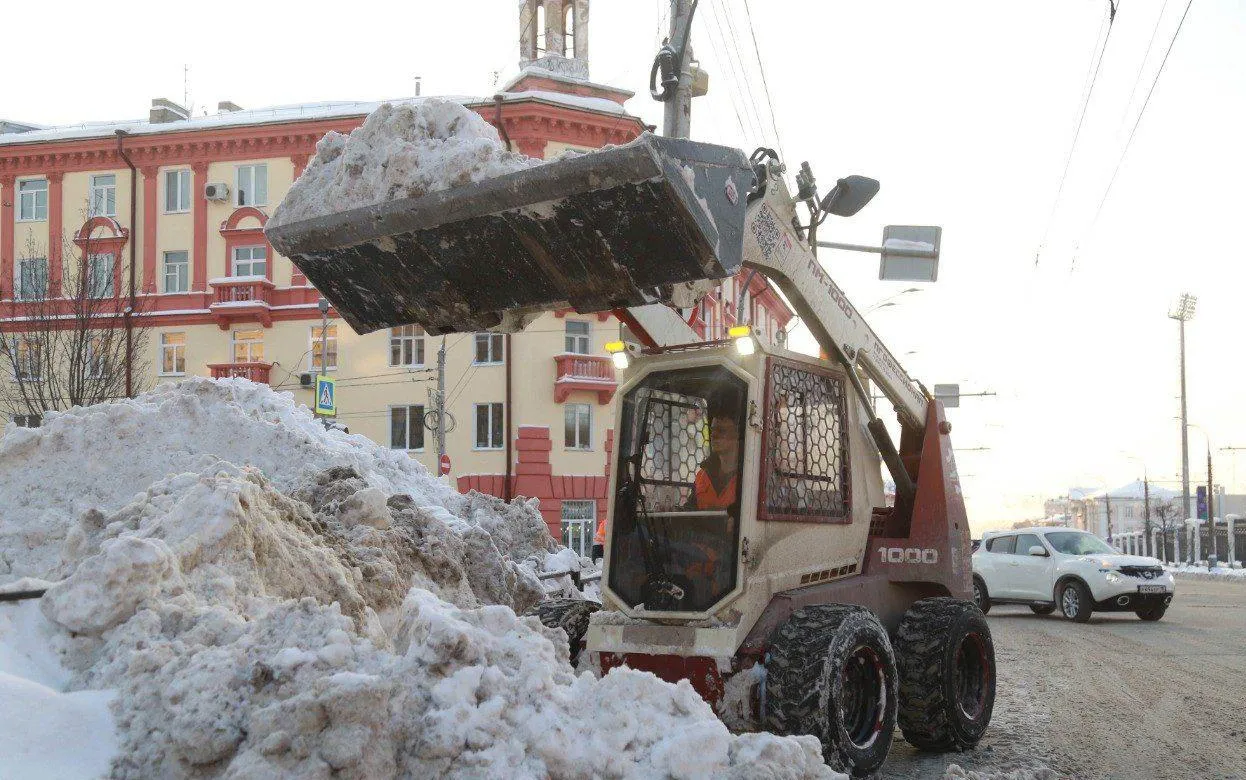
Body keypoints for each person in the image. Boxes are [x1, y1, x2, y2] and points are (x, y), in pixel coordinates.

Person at [689, 412, 741, 511]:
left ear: (737, 435)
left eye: (721, 431)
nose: (713, 435)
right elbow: (689, 513)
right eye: (712, 430)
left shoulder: (748, 479)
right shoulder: (702, 476)